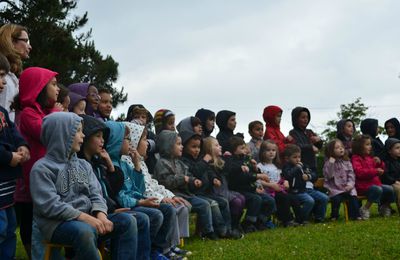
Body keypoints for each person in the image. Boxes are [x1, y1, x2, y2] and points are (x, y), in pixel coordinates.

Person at [30, 112, 137, 260]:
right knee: (85, 231)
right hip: (57, 224)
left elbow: (96, 194)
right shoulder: (42, 168)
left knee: (128, 221)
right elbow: (50, 206)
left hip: (88, 218)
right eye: (78, 131)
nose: (83, 136)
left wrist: (101, 215)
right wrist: (85, 218)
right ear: (63, 134)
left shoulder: (84, 165)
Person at [78, 114, 151, 259]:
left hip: (106, 211)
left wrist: (111, 166)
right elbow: (86, 197)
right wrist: (111, 209)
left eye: (103, 136)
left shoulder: (99, 163)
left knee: (142, 218)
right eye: (98, 136)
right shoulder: (81, 165)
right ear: (86, 138)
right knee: (131, 220)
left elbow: (112, 190)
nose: (102, 141)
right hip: (93, 215)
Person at [105, 121, 179, 259]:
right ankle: (143, 254)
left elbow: (138, 188)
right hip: (125, 206)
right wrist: (140, 203)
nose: (129, 142)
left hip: (135, 202)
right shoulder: (112, 165)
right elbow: (119, 196)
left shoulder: (125, 163)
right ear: (116, 141)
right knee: (152, 215)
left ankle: (154, 251)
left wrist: (137, 165)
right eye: (127, 139)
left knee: (166, 210)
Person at [122, 121, 191, 258]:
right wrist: (162, 199)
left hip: (147, 199)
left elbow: (153, 184)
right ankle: (160, 249)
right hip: (140, 201)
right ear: (134, 142)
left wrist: (170, 196)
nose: (147, 143)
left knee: (175, 206)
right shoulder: (127, 161)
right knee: (165, 210)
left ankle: (167, 247)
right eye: (143, 139)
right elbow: (142, 189)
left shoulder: (140, 161)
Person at [12, 67, 61, 258]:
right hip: (31, 181)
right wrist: (59, 117)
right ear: (39, 87)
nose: (58, 89)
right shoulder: (29, 114)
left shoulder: (49, 112)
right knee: (30, 219)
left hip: (49, 178)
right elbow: (49, 134)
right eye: (54, 84)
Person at [153, 130, 219, 240]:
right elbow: (165, 181)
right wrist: (183, 179)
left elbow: (188, 175)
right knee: (186, 206)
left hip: (186, 194)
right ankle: (178, 236)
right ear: (168, 146)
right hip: (172, 195)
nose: (182, 147)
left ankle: (207, 231)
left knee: (204, 204)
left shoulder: (179, 162)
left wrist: (194, 181)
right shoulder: (162, 163)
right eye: (178, 144)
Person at [0, 53, 30, 259]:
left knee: (10, 228)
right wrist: (7, 156)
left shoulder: (1, 111)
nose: (3, 83)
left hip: (6, 190)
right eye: (0, 76)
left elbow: (13, 132)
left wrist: (22, 146)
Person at [179, 131, 229, 238]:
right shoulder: (184, 161)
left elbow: (208, 171)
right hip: (194, 193)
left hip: (205, 192)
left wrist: (213, 178)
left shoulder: (200, 158)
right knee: (213, 203)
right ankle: (220, 231)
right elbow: (195, 171)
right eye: (193, 147)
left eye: (198, 147)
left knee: (224, 202)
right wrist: (204, 161)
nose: (197, 150)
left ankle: (227, 227)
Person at [225, 136, 276, 232]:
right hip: (240, 190)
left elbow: (252, 172)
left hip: (251, 188)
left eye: (244, 147)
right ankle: (248, 223)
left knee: (270, 201)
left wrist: (256, 168)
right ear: (234, 150)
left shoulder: (246, 159)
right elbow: (241, 178)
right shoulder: (232, 162)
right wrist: (258, 176)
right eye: (242, 148)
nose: (245, 150)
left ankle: (260, 222)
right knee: (256, 199)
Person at [289, 106, 328, 222]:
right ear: (296, 119)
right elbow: (296, 147)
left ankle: (317, 217)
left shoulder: (310, 132)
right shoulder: (293, 133)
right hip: (301, 165)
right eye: (302, 117)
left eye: (307, 117)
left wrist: (319, 140)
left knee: (313, 187)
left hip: (312, 165)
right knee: (306, 190)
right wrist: (310, 146)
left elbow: (319, 147)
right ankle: (301, 218)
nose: (305, 120)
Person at [201, 136, 245, 238]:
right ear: (209, 149)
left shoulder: (221, 160)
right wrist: (229, 158)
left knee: (242, 198)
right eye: (216, 145)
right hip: (216, 191)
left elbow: (228, 169)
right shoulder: (209, 162)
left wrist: (228, 158)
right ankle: (228, 228)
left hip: (224, 188)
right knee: (236, 201)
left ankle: (234, 225)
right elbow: (223, 170)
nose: (220, 147)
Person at [351, 135, 394, 219]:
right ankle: (365, 208)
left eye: (370, 144)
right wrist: (375, 171)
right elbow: (359, 173)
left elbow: (382, 168)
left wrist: (380, 163)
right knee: (377, 189)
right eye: (367, 144)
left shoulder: (369, 158)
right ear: (359, 146)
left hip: (375, 184)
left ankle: (384, 206)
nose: (370, 146)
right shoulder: (355, 158)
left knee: (390, 189)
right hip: (363, 187)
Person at [257, 140, 297, 227]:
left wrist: (285, 182)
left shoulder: (277, 165)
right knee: (282, 197)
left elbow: (281, 178)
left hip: (278, 189)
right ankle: (286, 220)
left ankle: (294, 218)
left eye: (273, 150)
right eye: (268, 150)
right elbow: (258, 181)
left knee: (290, 197)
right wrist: (270, 185)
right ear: (262, 152)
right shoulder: (259, 166)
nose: (271, 152)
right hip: (267, 191)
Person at [0, 24, 32, 122]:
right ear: (11, 41)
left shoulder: (12, 75)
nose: (29, 46)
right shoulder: (6, 77)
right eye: (26, 41)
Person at [323, 139, 360, 221]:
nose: (341, 149)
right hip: (335, 188)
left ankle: (356, 215)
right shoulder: (328, 163)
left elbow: (351, 175)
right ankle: (334, 216)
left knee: (353, 197)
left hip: (347, 187)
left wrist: (350, 185)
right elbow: (328, 175)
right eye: (337, 148)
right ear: (331, 151)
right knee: (336, 199)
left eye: (342, 147)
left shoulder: (347, 161)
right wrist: (331, 161)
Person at [281, 144, 314, 224]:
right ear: (287, 158)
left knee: (316, 199)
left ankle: (302, 218)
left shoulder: (303, 165)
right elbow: (288, 175)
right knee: (310, 201)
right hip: (293, 192)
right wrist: (297, 168)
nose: (298, 159)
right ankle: (301, 219)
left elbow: (312, 173)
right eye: (295, 157)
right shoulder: (287, 167)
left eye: (299, 157)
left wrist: (308, 176)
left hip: (303, 190)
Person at [382, 138, 400, 215]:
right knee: (399, 188)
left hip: (397, 182)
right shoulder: (386, 162)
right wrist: (394, 181)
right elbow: (385, 176)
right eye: (397, 148)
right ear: (389, 151)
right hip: (389, 183)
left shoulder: (398, 162)